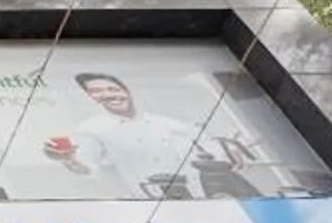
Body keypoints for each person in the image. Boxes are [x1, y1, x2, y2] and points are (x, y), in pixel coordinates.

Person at [41, 71, 210, 190]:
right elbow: (90, 167)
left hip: (200, 193)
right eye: (96, 92)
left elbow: (205, 151)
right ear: (91, 98)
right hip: (147, 198)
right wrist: (70, 160)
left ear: (127, 92)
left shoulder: (168, 122)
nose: (108, 95)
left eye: (113, 89)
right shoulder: (92, 128)